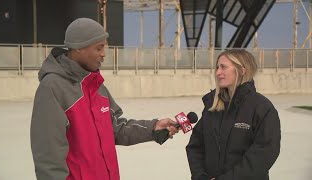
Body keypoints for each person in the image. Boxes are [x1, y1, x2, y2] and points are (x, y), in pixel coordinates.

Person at [30, 18, 179, 180]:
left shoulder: (96, 85)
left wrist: (153, 127)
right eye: (99, 48)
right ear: (79, 48)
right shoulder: (52, 88)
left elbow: (115, 128)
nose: (103, 54)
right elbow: (48, 159)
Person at [186, 49, 281, 180]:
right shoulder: (212, 106)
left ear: (242, 70)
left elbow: (263, 154)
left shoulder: (262, 108)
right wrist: (200, 176)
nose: (218, 72)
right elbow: (195, 146)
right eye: (217, 67)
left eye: (223, 67)